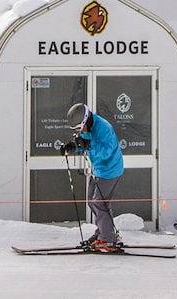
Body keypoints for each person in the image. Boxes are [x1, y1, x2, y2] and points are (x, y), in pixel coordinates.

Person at [60, 102, 125, 253]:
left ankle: (108, 240)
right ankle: (103, 233)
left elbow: (106, 152)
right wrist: (73, 146)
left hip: (110, 170)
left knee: (99, 203)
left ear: (85, 120)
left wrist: (88, 145)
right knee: (92, 202)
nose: (78, 131)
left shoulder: (104, 128)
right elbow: (85, 145)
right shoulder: (87, 127)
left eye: (78, 128)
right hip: (97, 170)